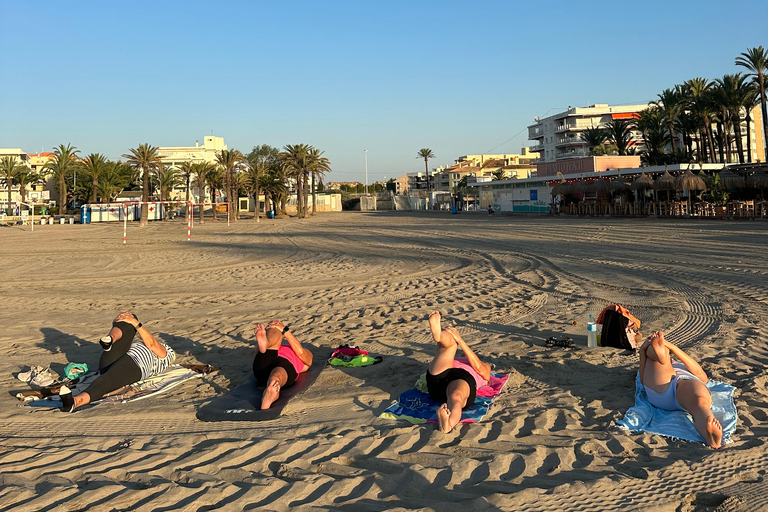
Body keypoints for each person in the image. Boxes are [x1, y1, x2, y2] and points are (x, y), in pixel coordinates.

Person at [59, 312, 175, 412]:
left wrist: (137, 323)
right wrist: (127, 320)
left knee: (105, 381)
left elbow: (152, 344)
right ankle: (110, 340)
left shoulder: (167, 354)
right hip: (115, 359)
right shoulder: (144, 343)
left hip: (135, 365)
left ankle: (74, 402)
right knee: (129, 318)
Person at [638, 331, 722, 448]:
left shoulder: (681, 366)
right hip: (669, 383)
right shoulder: (680, 366)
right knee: (700, 403)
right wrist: (646, 350)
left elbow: (643, 380)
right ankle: (657, 350)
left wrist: (667, 347)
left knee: (699, 402)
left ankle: (710, 438)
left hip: (663, 392)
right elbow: (700, 373)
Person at [427, 311, 492, 433]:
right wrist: (451, 338)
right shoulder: (454, 358)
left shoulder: (485, 365)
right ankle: (439, 335)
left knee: (455, 396)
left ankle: (448, 424)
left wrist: (460, 340)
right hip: (440, 377)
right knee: (450, 344)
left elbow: (479, 368)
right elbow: (438, 355)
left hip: (462, 378)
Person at [252, 320, 313, 410]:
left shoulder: (306, 354)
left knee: (275, 378)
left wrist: (285, 331)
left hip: (279, 365)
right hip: (269, 359)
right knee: (276, 378)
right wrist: (280, 330)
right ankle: (266, 343)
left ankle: (268, 395)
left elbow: (301, 354)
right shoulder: (278, 345)